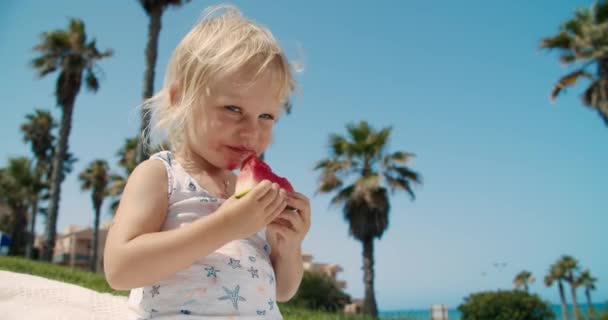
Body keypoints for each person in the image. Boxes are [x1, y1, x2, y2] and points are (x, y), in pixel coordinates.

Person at [103, 4, 310, 319]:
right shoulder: (161, 175)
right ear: (178, 99)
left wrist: (289, 247)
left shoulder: (252, 195)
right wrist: (225, 226)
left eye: (266, 116)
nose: (251, 130)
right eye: (232, 108)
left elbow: (281, 291)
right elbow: (120, 269)